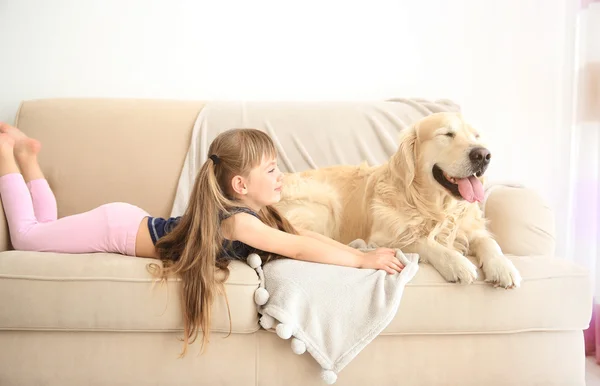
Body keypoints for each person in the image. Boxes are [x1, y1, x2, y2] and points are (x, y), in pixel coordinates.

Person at [0, 123, 404, 356]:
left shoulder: (250, 213)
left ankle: (29, 159)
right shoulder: (239, 223)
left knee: (43, 232)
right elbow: (296, 248)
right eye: (272, 170)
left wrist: (354, 252)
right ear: (241, 184)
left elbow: (302, 236)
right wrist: (362, 264)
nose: (281, 176)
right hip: (116, 229)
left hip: (126, 222)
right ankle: (6, 151)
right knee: (28, 237)